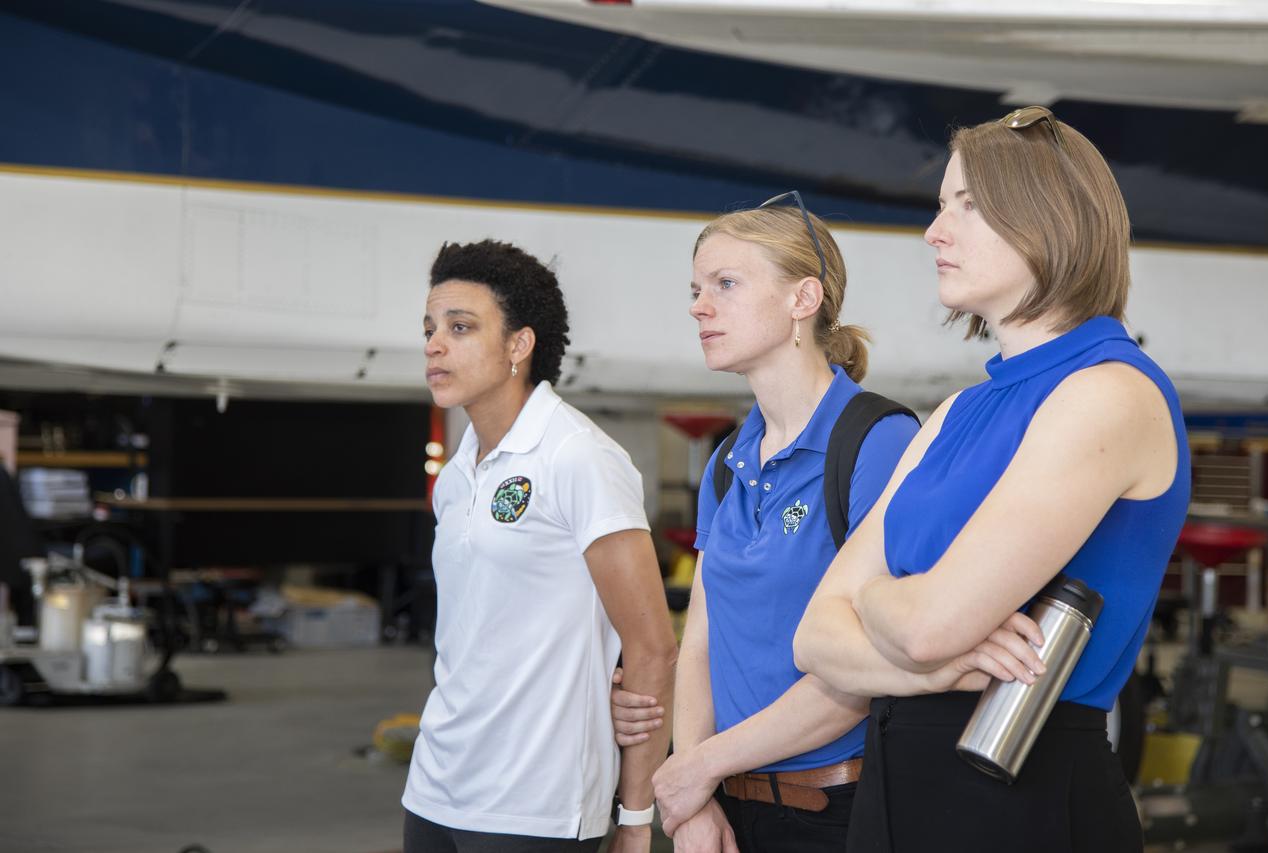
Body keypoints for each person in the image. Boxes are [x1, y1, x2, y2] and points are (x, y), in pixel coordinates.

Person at [793, 107, 1191, 852]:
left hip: (1023, 797)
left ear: (1050, 220)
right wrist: (928, 666)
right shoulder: (957, 411)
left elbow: (927, 625)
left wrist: (876, 602)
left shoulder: (1109, 393)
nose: (935, 232)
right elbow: (815, 638)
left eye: (967, 207)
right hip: (895, 794)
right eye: (941, 206)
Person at [614, 194, 924, 853]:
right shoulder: (730, 460)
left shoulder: (877, 442)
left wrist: (698, 766)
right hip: (726, 808)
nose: (700, 305)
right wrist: (696, 793)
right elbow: (700, 637)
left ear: (802, 299)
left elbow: (869, 667)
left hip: (840, 813)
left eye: (726, 284)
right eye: (697, 289)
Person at [402, 239, 677, 853]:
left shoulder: (579, 456)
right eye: (430, 328)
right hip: (434, 789)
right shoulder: (457, 474)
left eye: (461, 327)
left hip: (537, 807)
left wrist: (636, 819)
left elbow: (653, 649)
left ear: (519, 346)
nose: (434, 345)